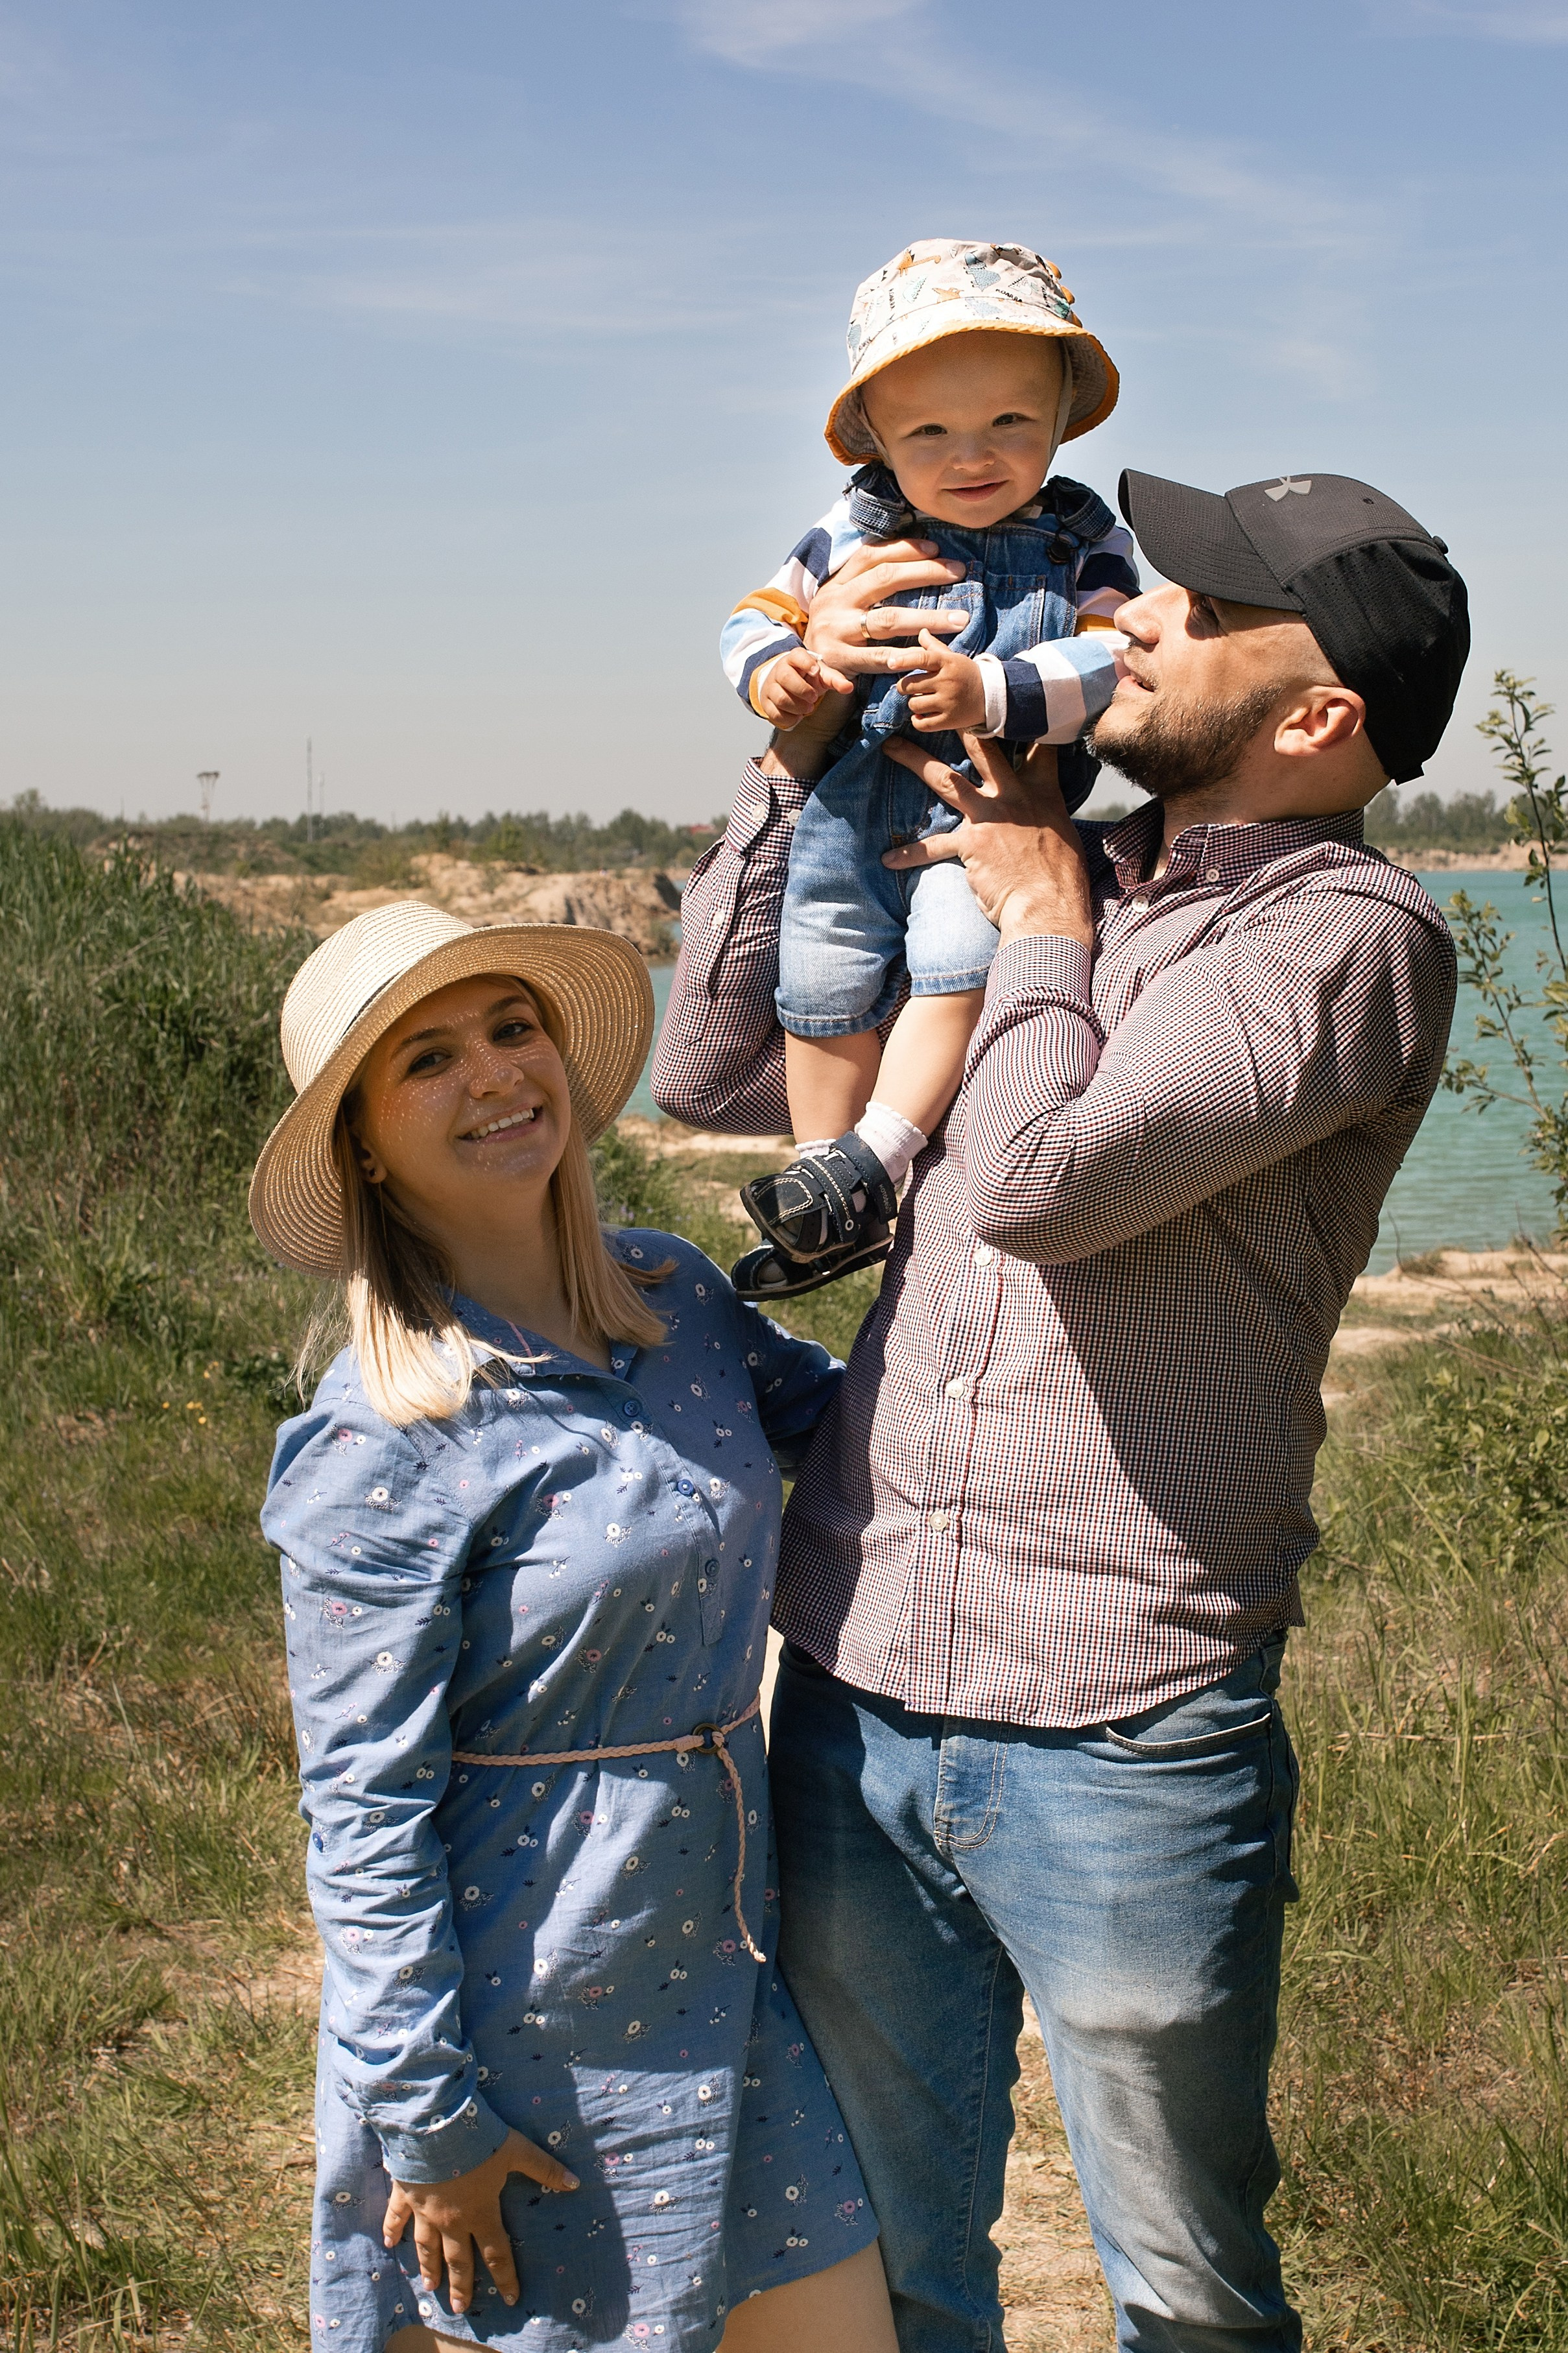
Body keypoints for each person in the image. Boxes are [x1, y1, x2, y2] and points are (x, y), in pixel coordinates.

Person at [654, 469, 1469, 2350]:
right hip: (854, 1688)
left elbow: (1040, 1179)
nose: (1126, 617)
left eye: (1190, 613)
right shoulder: (1067, 856)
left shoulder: (1349, 941)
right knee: (888, 2259)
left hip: (1125, 1726)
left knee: (1181, 2282)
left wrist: (1030, 916)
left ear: (1315, 718)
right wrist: (804, 756)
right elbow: (706, 1070)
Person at [248, 902, 897, 2353]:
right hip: (517, 2029)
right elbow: (361, 1809)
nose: (495, 1074)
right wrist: (426, 2116)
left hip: (724, 1976)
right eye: (428, 1057)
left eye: (511, 1026)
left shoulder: (678, 1297)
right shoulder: (380, 1435)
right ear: (359, 1137)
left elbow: (869, 1428)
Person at [719, 239, 1137, 1300]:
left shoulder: (1082, 533)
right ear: (876, 441)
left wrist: (992, 693)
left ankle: (882, 1153)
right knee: (818, 973)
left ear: (1056, 420)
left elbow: (1113, 655)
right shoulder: (850, 530)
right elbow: (751, 619)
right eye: (930, 431)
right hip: (847, 814)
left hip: (986, 816)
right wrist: (782, 670)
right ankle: (826, 1176)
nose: (972, 453)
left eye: (1009, 421)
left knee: (958, 956)